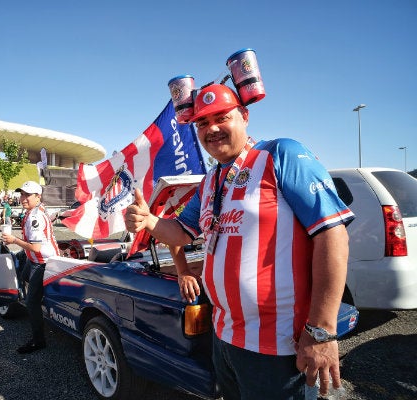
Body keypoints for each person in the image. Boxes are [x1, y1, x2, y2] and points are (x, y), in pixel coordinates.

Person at [125, 84, 355, 399]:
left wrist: (321, 333)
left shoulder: (281, 155)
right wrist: (148, 221)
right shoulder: (210, 181)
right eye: (203, 123)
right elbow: (180, 232)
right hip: (225, 339)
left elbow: (332, 235)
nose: (212, 129)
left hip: (279, 346)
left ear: (244, 116)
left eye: (222, 117)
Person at [2, 181, 59, 354]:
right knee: (22, 277)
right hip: (34, 260)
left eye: (27, 195)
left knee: (31, 302)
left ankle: (38, 341)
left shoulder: (34, 216)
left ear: (38, 196)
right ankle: (39, 296)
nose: (23, 198)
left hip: (42, 262)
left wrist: (13, 241)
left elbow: (36, 248)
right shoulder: (33, 211)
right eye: (22, 194)